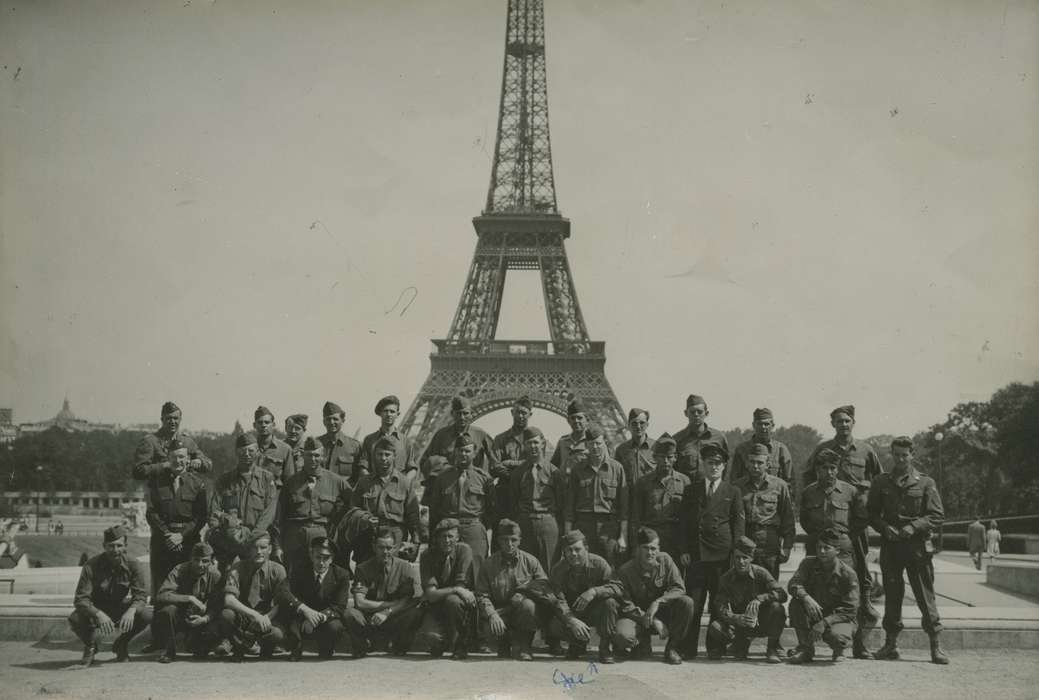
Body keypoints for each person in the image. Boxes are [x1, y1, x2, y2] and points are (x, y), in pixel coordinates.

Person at [803, 404, 883, 658]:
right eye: (839, 421)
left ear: (853, 422)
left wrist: (858, 521)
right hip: (824, 530)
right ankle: (808, 644)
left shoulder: (866, 450)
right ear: (833, 424)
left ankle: (859, 643)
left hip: (854, 529)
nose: (843, 425)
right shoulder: (822, 450)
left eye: (847, 420)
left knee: (858, 582)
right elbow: (807, 481)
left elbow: (879, 482)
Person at [868, 437, 949, 664]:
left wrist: (913, 527)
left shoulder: (925, 483)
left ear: (913, 455)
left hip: (917, 549)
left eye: (905, 455)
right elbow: (872, 513)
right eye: (896, 455)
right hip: (891, 547)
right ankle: (890, 645)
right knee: (892, 595)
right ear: (891, 455)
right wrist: (885, 528)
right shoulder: (881, 482)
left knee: (925, 596)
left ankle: (936, 645)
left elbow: (937, 515)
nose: (901, 459)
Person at [678, 442, 745, 659]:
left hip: (721, 556)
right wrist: (684, 550)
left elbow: (738, 525)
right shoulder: (692, 490)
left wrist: (736, 554)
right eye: (710, 463)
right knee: (694, 604)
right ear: (703, 464)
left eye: (718, 463)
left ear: (724, 466)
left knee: (718, 603)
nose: (714, 467)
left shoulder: (733, 491)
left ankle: (716, 648)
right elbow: (683, 524)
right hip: (696, 556)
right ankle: (687, 648)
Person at [606, 527, 696, 665]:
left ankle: (672, 648)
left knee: (687, 603)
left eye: (653, 548)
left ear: (659, 548)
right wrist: (652, 620)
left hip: (662, 611)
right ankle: (640, 643)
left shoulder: (665, 561)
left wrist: (659, 601)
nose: (650, 553)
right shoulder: (626, 571)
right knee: (622, 636)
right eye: (645, 548)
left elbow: (679, 588)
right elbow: (626, 604)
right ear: (637, 549)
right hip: (637, 617)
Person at [68, 525, 152, 667]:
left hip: (119, 607)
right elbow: (81, 599)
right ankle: (91, 647)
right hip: (96, 608)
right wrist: (98, 614)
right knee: (75, 618)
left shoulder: (133, 564)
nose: (115, 550)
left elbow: (140, 596)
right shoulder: (91, 565)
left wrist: (131, 611)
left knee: (146, 615)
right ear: (104, 546)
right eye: (111, 546)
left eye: (119, 546)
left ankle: (122, 643)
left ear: (125, 546)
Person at [475, 519, 549, 661]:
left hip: (522, 612)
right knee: (490, 627)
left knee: (529, 606)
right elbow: (481, 595)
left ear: (520, 540)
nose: (509, 544)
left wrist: (524, 592)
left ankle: (525, 646)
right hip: (499, 613)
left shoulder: (530, 561)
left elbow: (543, 585)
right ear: (498, 541)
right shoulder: (488, 564)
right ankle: (503, 645)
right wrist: (492, 615)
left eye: (513, 540)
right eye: (505, 540)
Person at [706, 536, 787, 663]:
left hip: (761, 621)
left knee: (777, 608)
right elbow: (720, 607)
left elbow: (782, 594)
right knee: (715, 627)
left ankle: (772, 648)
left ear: (751, 558)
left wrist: (761, 599)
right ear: (733, 558)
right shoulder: (726, 579)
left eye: (745, 558)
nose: (741, 562)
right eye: (737, 557)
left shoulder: (761, 573)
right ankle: (740, 644)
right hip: (741, 625)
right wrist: (735, 618)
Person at [344, 526, 423, 657]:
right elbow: (360, 603)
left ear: (395, 548)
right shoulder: (363, 569)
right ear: (374, 547)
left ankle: (399, 645)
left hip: (393, 617)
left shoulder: (404, 567)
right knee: (349, 613)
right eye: (381, 547)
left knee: (415, 612)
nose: (385, 552)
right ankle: (362, 645)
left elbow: (408, 600)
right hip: (369, 618)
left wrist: (387, 612)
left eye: (389, 548)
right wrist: (389, 605)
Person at [278, 437, 352, 575]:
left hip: (322, 536)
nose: (313, 459)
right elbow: (280, 516)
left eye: (317, 455)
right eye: (309, 455)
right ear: (302, 456)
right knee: (294, 577)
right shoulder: (291, 482)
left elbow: (352, 504)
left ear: (323, 456)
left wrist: (339, 527)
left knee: (321, 578)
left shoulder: (336, 481)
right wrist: (278, 545)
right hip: (295, 538)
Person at [145, 438, 209, 598]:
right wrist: (168, 535)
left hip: (188, 543)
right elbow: (151, 513)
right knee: (162, 590)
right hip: (163, 542)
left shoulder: (197, 484)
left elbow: (201, 516)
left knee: (188, 587)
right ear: (168, 458)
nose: (177, 461)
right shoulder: (157, 482)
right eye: (173, 457)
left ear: (188, 459)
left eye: (181, 457)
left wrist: (181, 536)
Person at [787, 527, 859, 664]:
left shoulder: (848, 574)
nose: (821, 551)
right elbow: (793, 584)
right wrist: (806, 597)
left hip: (837, 618)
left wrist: (824, 622)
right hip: (815, 612)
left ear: (837, 550)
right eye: (819, 547)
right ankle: (806, 649)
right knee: (796, 604)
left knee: (838, 637)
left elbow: (851, 610)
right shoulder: (808, 563)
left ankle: (839, 652)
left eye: (827, 548)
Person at [208, 433, 279, 571]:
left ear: (257, 452)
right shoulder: (224, 480)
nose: (247, 454)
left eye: (251, 451)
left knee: (255, 581)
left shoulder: (267, 479)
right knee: (225, 582)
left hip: (256, 544)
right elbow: (214, 512)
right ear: (236, 452)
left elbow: (269, 514)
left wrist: (251, 539)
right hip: (229, 543)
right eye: (242, 451)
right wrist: (229, 523)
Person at [546, 530, 619, 663]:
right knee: (554, 625)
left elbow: (616, 587)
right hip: (573, 611)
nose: (573, 554)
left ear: (586, 549)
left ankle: (605, 647)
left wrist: (594, 591)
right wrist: (572, 620)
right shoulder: (558, 570)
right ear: (564, 552)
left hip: (595, 611)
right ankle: (576, 643)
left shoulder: (599, 564)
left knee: (610, 603)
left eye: (577, 549)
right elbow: (558, 600)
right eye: (569, 550)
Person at [423, 433, 496, 566]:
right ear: (455, 453)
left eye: (467, 451)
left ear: (474, 453)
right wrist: (433, 537)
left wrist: (480, 527)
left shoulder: (484, 478)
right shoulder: (442, 478)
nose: (463, 454)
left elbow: (491, 509)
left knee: (476, 568)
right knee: (449, 568)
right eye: (460, 451)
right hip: (449, 530)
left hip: (473, 528)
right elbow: (434, 509)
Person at [565, 426, 629, 568]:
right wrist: (568, 536)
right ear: (586, 445)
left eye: (598, 443)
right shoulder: (577, 470)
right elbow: (569, 507)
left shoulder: (617, 469)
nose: (595, 447)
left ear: (604, 442)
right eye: (591, 444)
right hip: (583, 527)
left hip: (608, 528)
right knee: (582, 567)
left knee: (609, 568)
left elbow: (624, 508)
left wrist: (623, 536)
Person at [415, 518, 477, 659]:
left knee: (453, 601)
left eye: (451, 536)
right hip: (435, 605)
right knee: (431, 637)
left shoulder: (464, 550)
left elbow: (462, 588)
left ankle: (461, 644)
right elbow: (431, 594)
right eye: (443, 536)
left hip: (457, 604)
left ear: (457, 538)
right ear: (436, 539)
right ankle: (444, 643)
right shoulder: (427, 555)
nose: (447, 540)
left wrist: (454, 590)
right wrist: (455, 589)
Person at [151, 542, 223, 663]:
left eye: (205, 561)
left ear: (211, 561)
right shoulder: (179, 570)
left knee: (199, 653)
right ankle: (169, 651)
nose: (200, 564)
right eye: (196, 560)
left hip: (203, 619)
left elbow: (218, 604)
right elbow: (162, 595)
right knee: (168, 611)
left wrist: (205, 618)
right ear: (190, 558)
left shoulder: (215, 575)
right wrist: (189, 598)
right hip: (182, 615)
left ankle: (202, 642)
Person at [283, 536, 352, 661]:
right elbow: (283, 591)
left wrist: (316, 618)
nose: (321, 562)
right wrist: (304, 610)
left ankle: (326, 647)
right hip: (302, 616)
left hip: (326, 618)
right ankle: (296, 648)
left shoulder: (341, 574)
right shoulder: (299, 570)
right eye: (318, 557)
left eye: (326, 558)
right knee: (291, 619)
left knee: (335, 627)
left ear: (332, 559)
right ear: (311, 555)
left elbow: (339, 606)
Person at [733, 442, 795, 580]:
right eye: (752, 462)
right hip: (744, 541)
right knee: (743, 585)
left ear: (767, 464)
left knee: (770, 585)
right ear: (747, 464)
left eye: (760, 462)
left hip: (769, 543)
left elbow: (788, 519)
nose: (755, 466)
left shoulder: (780, 486)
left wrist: (787, 547)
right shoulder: (737, 486)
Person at [508, 426, 565, 571]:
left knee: (550, 567)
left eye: (535, 442)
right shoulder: (518, 473)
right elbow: (513, 501)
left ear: (543, 443)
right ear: (524, 446)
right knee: (524, 567)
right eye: (529, 443)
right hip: (524, 524)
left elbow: (561, 502)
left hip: (548, 523)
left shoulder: (554, 472)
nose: (533, 446)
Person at [631, 433, 688, 561]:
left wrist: (685, 549)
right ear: (655, 457)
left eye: (669, 457)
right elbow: (636, 518)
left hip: (675, 540)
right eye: (662, 457)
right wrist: (636, 546)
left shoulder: (684, 482)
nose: (666, 461)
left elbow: (687, 520)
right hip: (650, 541)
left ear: (675, 458)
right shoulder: (643, 482)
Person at [420, 396, 499, 482]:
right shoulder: (441, 435)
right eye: (458, 413)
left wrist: (485, 478)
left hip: (472, 484)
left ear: (471, 413)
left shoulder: (481, 434)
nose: (462, 417)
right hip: (445, 484)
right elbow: (426, 461)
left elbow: (496, 461)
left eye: (465, 413)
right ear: (452, 413)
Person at [133, 401, 212, 480]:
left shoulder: (187, 442)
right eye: (168, 418)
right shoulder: (150, 441)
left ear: (180, 419)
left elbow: (208, 464)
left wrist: (199, 462)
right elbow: (137, 471)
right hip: (159, 490)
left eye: (175, 418)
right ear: (162, 419)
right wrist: (164, 466)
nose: (172, 422)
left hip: (184, 490)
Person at [492, 395, 536, 534]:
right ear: (512, 412)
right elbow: (494, 467)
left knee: (527, 536)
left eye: (524, 413)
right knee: (501, 536)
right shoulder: (500, 439)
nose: (521, 416)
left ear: (530, 415)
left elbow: (535, 464)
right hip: (505, 495)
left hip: (528, 495)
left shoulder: (536, 440)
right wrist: (520, 471)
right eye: (518, 412)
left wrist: (509, 463)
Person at [357, 395, 419, 487]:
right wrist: (372, 483)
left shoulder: (406, 441)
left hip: (398, 490)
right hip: (374, 488)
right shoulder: (369, 440)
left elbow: (412, 468)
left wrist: (403, 484)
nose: (389, 414)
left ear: (397, 414)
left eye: (392, 411)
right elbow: (363, 466)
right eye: (385, 411)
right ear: (380, 413)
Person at [729, 408, 793, 484]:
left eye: (766, 424)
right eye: (759, 424)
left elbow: (789, 481)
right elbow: (734, 479)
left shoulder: (781, 450)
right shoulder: (742, 449)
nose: (763, 427)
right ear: (753, 425)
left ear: (772, 426)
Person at [318, 401, 363, 485]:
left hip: (345, 495)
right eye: (328, 419)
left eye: (335, 419)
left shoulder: (354, 446)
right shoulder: (317, 444)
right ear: (324, 422)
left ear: (343, 421)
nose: (332, 422)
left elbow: (359, 477)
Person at [614, 408, 656, 496]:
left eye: (642, 423)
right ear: (628, 425)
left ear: (647, 424)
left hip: (651, 498)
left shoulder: (657, 447)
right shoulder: (621, 450)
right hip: (629, 499)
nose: (638, 427)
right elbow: (616, 478)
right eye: (634, 423)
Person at [252, 405, 295, 487]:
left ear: (273, 424)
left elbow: (290, 482)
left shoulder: (285, 450)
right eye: (260, 422)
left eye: (267, 422)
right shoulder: (249, 449)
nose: (263, 425)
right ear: (254, 425)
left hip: (276, 498)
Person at [550, 398, 591, 473]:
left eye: (579, 418)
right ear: (568, 421)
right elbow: (553, 466)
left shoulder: (593, 442)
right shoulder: (562, 441)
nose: (576, 421)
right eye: (573, 418)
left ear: (587, 420)